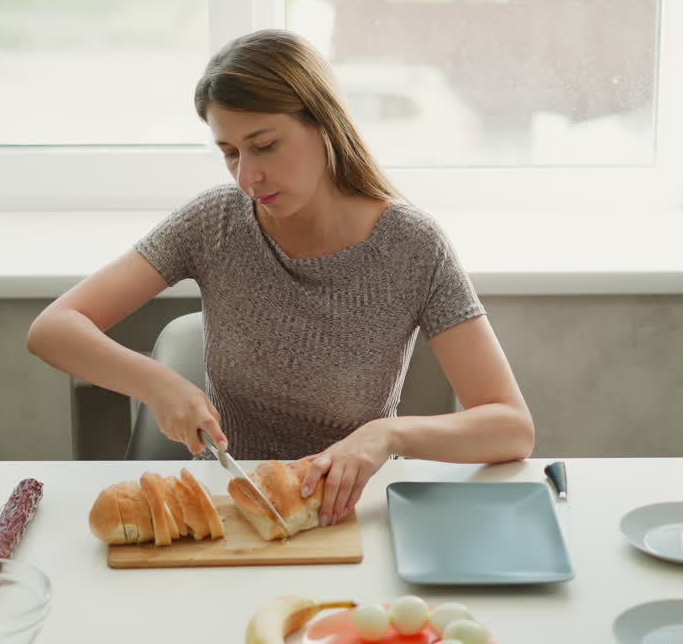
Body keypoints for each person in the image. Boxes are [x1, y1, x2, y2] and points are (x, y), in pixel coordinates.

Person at [27, 29, 533, 527]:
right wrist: (156, 384)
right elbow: (53, 329)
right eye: (230, 153)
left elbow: (511, 428)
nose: (247, 177)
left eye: (264, 145)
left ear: (325, 125)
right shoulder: (214, 222)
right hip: (227, 507)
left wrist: (387, 435)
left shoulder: (414, 247)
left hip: (346, 513)